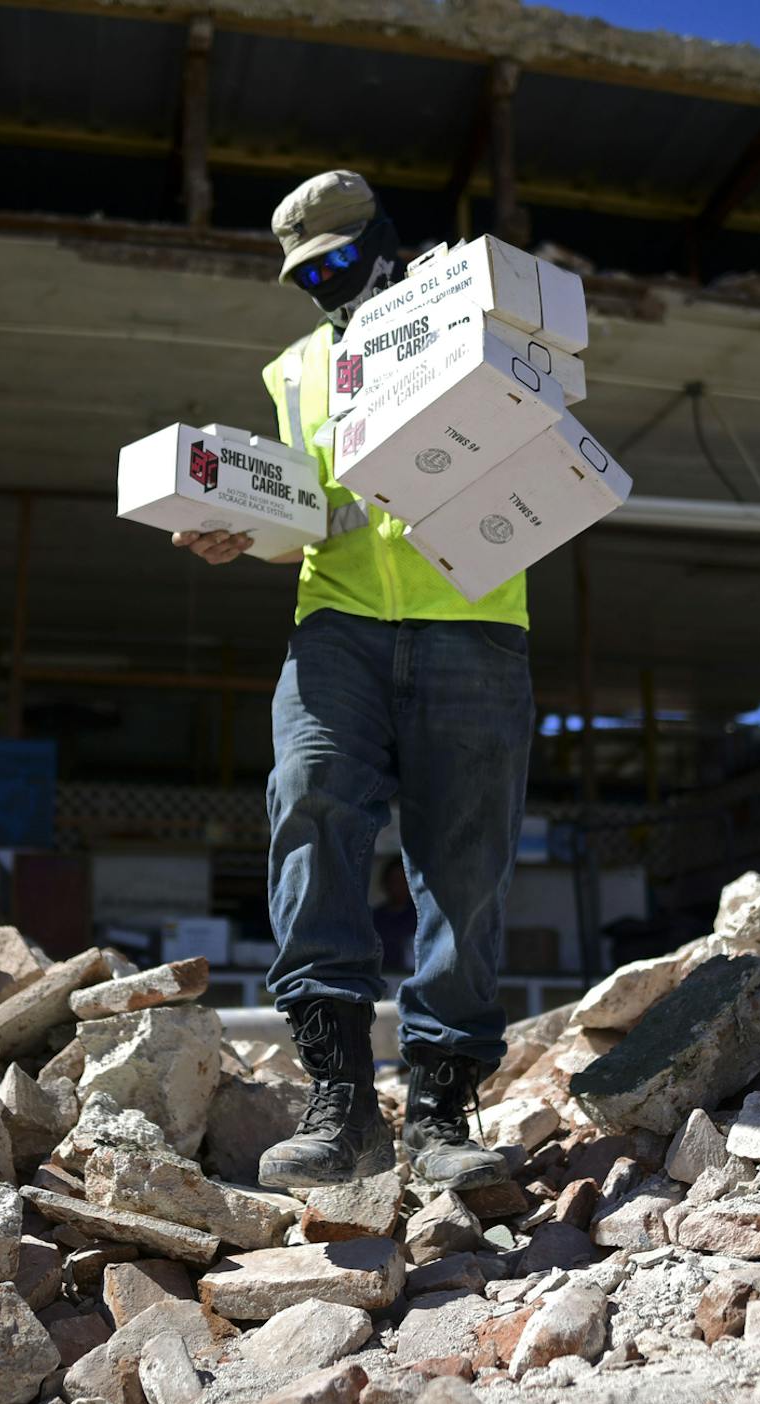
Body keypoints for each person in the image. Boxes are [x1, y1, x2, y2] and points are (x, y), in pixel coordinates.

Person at [172, 170, 533, 1192]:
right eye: (305, 276)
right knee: (309, 801)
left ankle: (441, 1109)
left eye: (334, 262)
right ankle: (340, 1101)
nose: (322, 286)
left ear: (380, 241)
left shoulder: (472, 316)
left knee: (464, 866)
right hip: (337, 626)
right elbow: (305, 520)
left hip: (474, 618)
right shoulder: (294, 371)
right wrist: (239, 533)